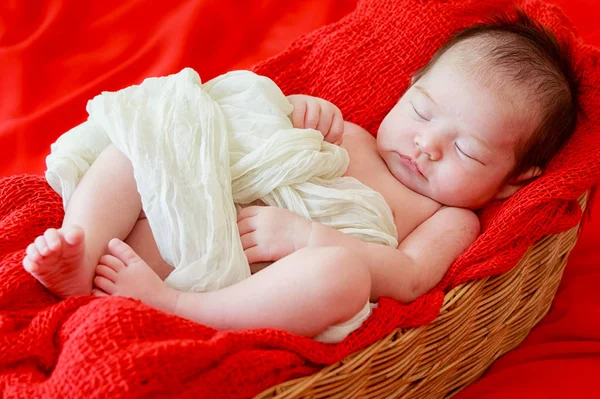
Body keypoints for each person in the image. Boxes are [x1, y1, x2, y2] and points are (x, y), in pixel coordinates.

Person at [22, 11, 579, 342]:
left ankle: (175, 306)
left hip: (247, 285)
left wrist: (309, 238)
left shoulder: (449, 217)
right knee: (154, 131)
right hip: (188, 218)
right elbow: (249, 139)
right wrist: (293, 113)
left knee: (342, 276)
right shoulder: (353, 133)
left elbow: (409, 279)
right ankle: (82, 249)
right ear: (408, 87)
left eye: (465, 149)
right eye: (423, 111)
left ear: (512, 182)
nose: (424, 145)